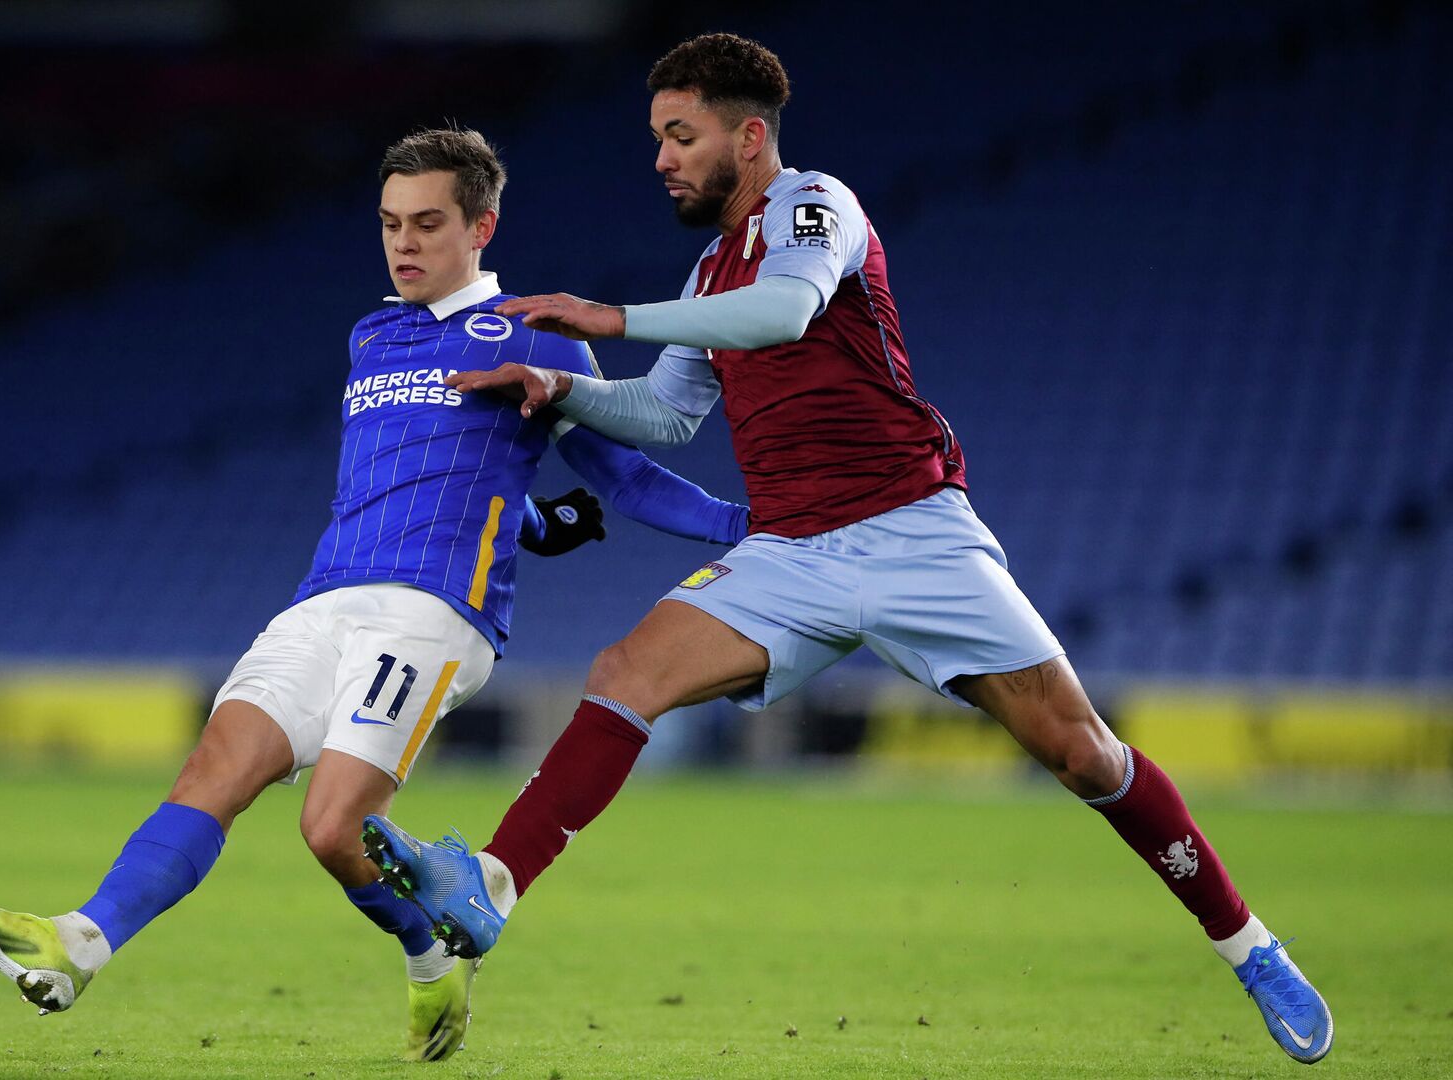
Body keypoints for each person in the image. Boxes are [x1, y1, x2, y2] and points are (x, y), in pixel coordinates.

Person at [360, 34, 1332, 1066]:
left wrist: (608, 316)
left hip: (916, 532)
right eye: (657, 139)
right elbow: (667, 414)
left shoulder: (816, 204)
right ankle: (495, 886)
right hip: (792, 552)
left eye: (680, 136)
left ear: (749, 135)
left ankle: (1249, 944)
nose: (662, 159)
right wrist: (565, 391)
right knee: (623, 673)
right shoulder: (708, 268)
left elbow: (788, 311)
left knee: (1083, 753)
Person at [0, 126, 745, 1063]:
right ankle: (79, 943)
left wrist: (750, 527)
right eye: (390, 223)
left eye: (428, 224)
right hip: (324, 595)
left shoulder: (536, 335)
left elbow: (629, 479)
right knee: (214, 774)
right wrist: (528, 519)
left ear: (483, 225)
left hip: (434, 610)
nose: (404, 244)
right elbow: (423, 474)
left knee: (333, 827)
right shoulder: (373, 334)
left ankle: (429, 950)